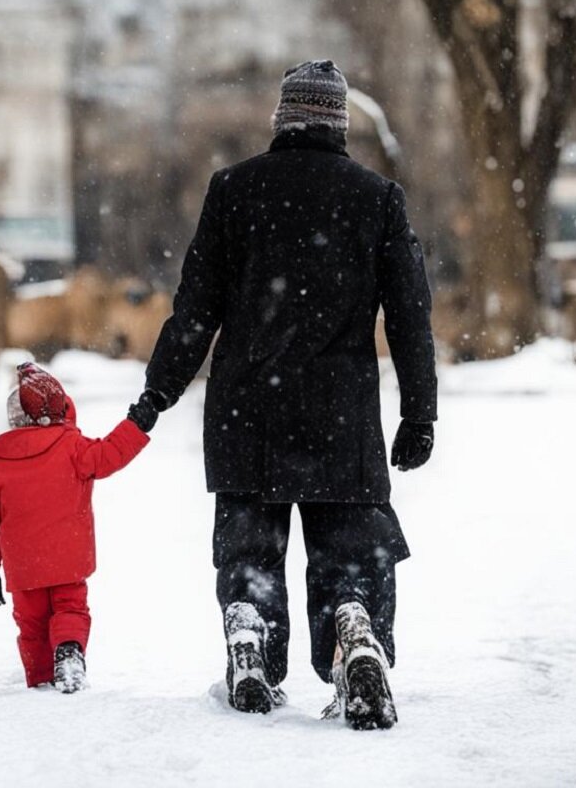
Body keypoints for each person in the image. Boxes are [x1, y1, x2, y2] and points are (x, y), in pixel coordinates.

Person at [131, 60, 437, 730]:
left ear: (282, 118)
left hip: (248, 411)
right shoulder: (375, 197)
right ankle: (354, 626)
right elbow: (411, 314)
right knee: (352, 555)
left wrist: (156, 395)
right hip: (342, 413)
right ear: (340, 123)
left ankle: (249, 635)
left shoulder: (233, 190)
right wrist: (420, 413)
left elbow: (194, 312)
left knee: (250, 556)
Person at [0, 362, 156, 692]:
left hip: (24, 569)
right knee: (70, 609)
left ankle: (41, 679)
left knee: (31, 626)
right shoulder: (72, 448)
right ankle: (69, 651)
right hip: (68, 559)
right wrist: (137, 423)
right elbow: (109, 454)